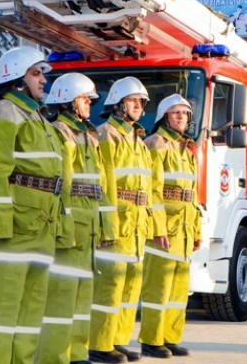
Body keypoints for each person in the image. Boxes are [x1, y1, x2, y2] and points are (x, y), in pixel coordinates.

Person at [0, 46, 70, 363]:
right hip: (10, 233)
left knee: (29, 315)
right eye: (36, 73)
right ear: (16, 79)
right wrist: (0, 230)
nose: (44, 80)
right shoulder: (2, 114)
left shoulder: (40, 121)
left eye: (44, 73)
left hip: (40, 229)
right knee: (0, 315)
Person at [36, 73, 111, 364]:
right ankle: (54, 357)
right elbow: (62, 183)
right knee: (61, 295)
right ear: (68, 101)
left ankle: (77, 353)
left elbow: (101, 184)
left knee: (82, 294)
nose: (90, 105)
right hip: (71, 223)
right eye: (84, 100)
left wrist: (103, 224)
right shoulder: (59, 132)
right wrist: (63, 225)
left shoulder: (87, 134)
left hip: (88, 223)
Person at [89, 77, 159, 363]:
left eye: (142, 103)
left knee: (131, 287)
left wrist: (153, 225)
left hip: (138, 223)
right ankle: (99, 344)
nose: (139, 107)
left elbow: (150, 188)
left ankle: (118, 340)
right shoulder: (106, 134)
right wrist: (106, 223)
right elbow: (104, 182)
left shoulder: (139, 142)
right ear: (117, 104)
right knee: (110, 285)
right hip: (117, 219)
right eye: (133, 101)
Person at [138, 94, 201, 358]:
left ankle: (170, 337)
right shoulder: (156, 143)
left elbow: (194, 194)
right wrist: (158, 227)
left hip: (184, 228)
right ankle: (151, 340)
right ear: (164, 116)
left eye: (185, 114)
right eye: (176, 113)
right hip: (165, 228)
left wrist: (197, 230)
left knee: (178, 289)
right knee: (158, 286)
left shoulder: (186, 149)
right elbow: (152, 189)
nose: (181, 118)